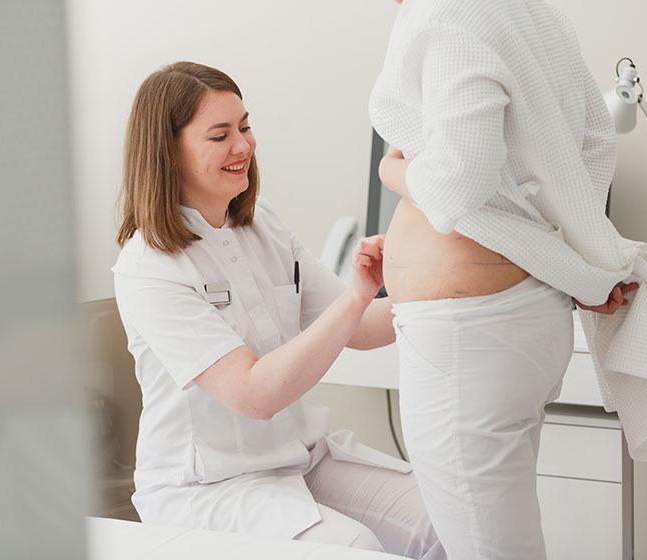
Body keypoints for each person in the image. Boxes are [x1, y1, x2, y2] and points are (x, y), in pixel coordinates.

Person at [368, 0, 647, 558]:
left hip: (469, 337)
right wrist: (569, 257)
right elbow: (593, 143)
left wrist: (393, 169)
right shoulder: (532, 12)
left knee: (485, 547)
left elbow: (457, 183)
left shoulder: (444, 16)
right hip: (516, 313)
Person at [112, 61, 445, 559]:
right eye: (220, 135)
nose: (243, 146)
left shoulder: (261, 224)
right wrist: (357, 296)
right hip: (211, 486)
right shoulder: (150, 268)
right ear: (168, 152)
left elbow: (364, 328)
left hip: (300, 458)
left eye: (244, 127)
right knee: (353, 549)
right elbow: (254, 395)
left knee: (446, 518)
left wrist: (448, 287)